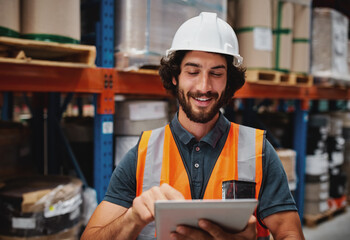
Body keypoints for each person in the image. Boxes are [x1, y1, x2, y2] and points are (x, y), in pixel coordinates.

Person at [81, 12, 305, 240]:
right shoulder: (143, 153)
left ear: (229, 81)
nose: (204, 86)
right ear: (176, 76)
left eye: (216, 73)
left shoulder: (258, 151)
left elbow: (291, 234)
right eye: (193, 71)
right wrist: (132, 219)